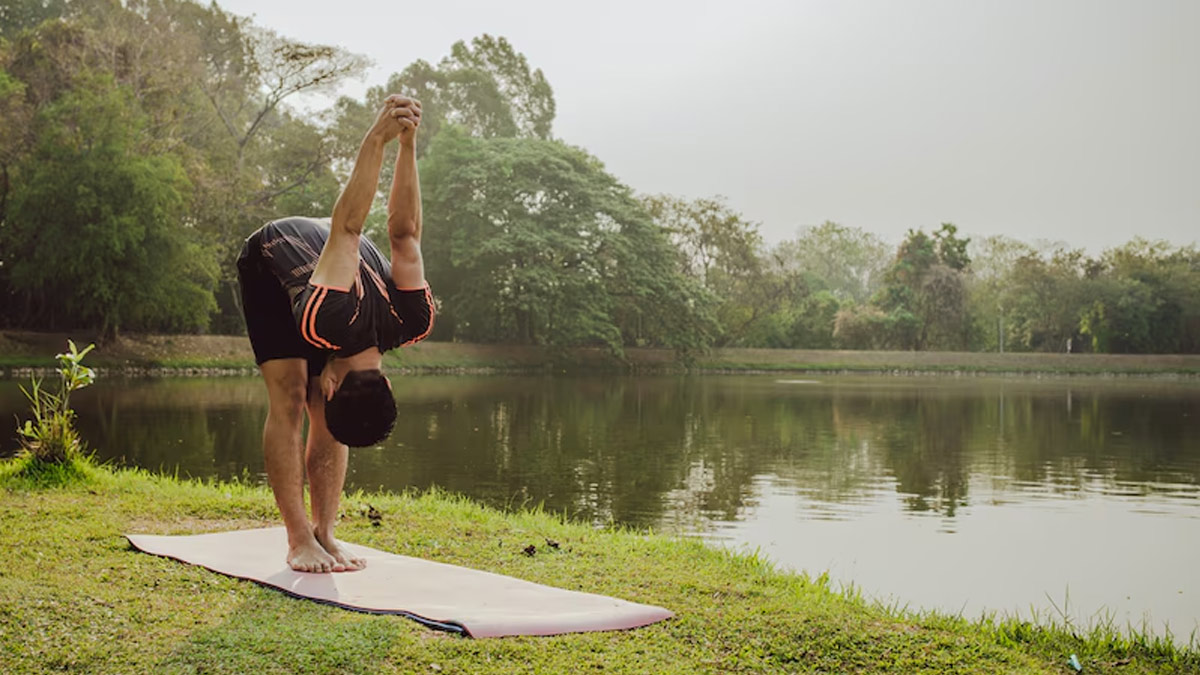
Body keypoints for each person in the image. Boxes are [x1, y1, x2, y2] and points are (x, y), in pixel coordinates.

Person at [236, 95, 432, 573]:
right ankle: (299, 538)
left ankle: (326, 531)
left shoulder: (415, 322)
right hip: (274, 258)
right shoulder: (328, 315)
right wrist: (379, 138)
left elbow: (405, 234)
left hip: (332, 275)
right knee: (289, 395)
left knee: (332, 418)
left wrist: (409, 145)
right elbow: (348, 226)